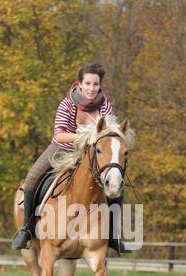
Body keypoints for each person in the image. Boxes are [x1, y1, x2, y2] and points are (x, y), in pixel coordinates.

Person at [12, 63, 128, 253]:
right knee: (32, 176)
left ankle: (113, 235)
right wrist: (85, 137)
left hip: (92, 155)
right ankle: (26, 229)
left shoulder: (105, 105)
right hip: (62, 150)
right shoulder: (67, 104)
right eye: (88, 84)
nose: (92, 89)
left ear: (100, 85)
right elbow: (58, 135)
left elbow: (110, 135)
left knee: (116, 181)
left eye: (96, 84)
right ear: (80, 84)